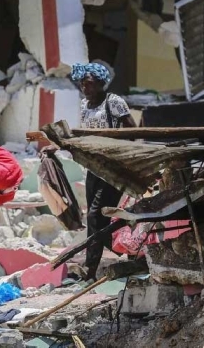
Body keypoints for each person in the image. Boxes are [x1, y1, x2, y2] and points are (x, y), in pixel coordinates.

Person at [72, 62, 136, 281]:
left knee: (95, 215)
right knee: (96, 214)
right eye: (82, 84)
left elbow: (132, 131)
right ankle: (122, 251)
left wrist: (113, 146)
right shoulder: (84, 105)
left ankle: (90, 268)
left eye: (89, 84)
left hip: (112, 167)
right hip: (93, 167)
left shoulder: (114, 102)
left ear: (100, 83)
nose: (84, 88)